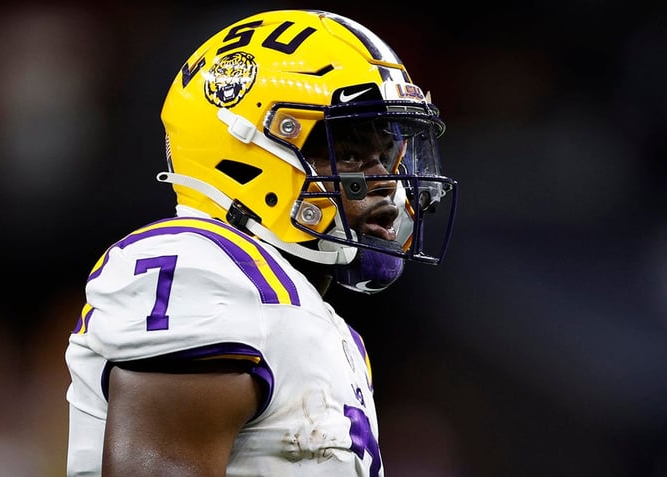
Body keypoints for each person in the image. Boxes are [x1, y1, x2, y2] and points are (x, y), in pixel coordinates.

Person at [65, 9, 458, 477]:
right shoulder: (202, 269)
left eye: (387, 156)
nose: (387, 184)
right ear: (244, 151)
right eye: (349, 153)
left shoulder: (319, 322)